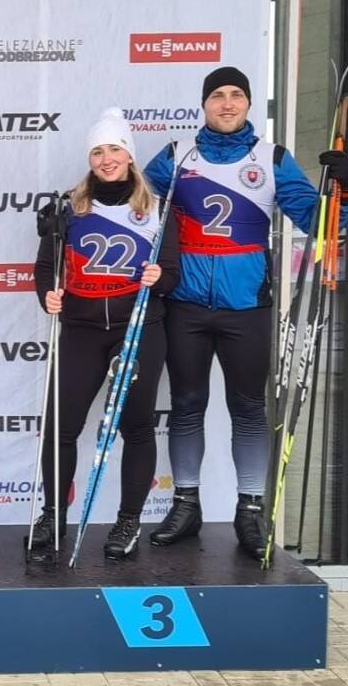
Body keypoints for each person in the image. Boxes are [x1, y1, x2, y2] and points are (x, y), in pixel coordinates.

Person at [144, 66, 324, 560]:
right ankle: (185, 505)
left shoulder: (272, 158)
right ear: (204, 104)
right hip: (185, 305)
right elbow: (133, 204)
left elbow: (318, 220)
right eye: (218, 95)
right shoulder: (177, 155)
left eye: (236, 95)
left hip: (246, 307)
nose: (227, 103)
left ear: (248, 103)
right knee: (186, 405)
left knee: (248, 409)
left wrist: (341, 191)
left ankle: (249, 511)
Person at [30, 108, 179, 558]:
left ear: (130, 155)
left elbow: (172, 274)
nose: (106, 158)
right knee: (61, 426)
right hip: (82, 330)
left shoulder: (156, 209)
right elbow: (46, 266)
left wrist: (158, 277)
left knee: (136, 426)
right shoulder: (69, 208)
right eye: (97, 151)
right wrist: (48, 294)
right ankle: (53, 514)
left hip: (138, 330)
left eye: (115, 149)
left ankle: (128, 521)